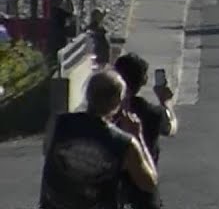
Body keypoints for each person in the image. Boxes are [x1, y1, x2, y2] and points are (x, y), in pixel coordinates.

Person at [40, 69, 158, 209]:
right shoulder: (123, 142)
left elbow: (47, 151)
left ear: (88, 94)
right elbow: (149, 183)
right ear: (117, 100)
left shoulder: (58, 122)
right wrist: (138, 136)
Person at [114, 53, 177, 209]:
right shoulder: (151, 112)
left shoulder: (105, 110)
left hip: (110, 189)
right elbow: (170, 128)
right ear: (144, 81)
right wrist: (166, 102)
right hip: (143, 190)